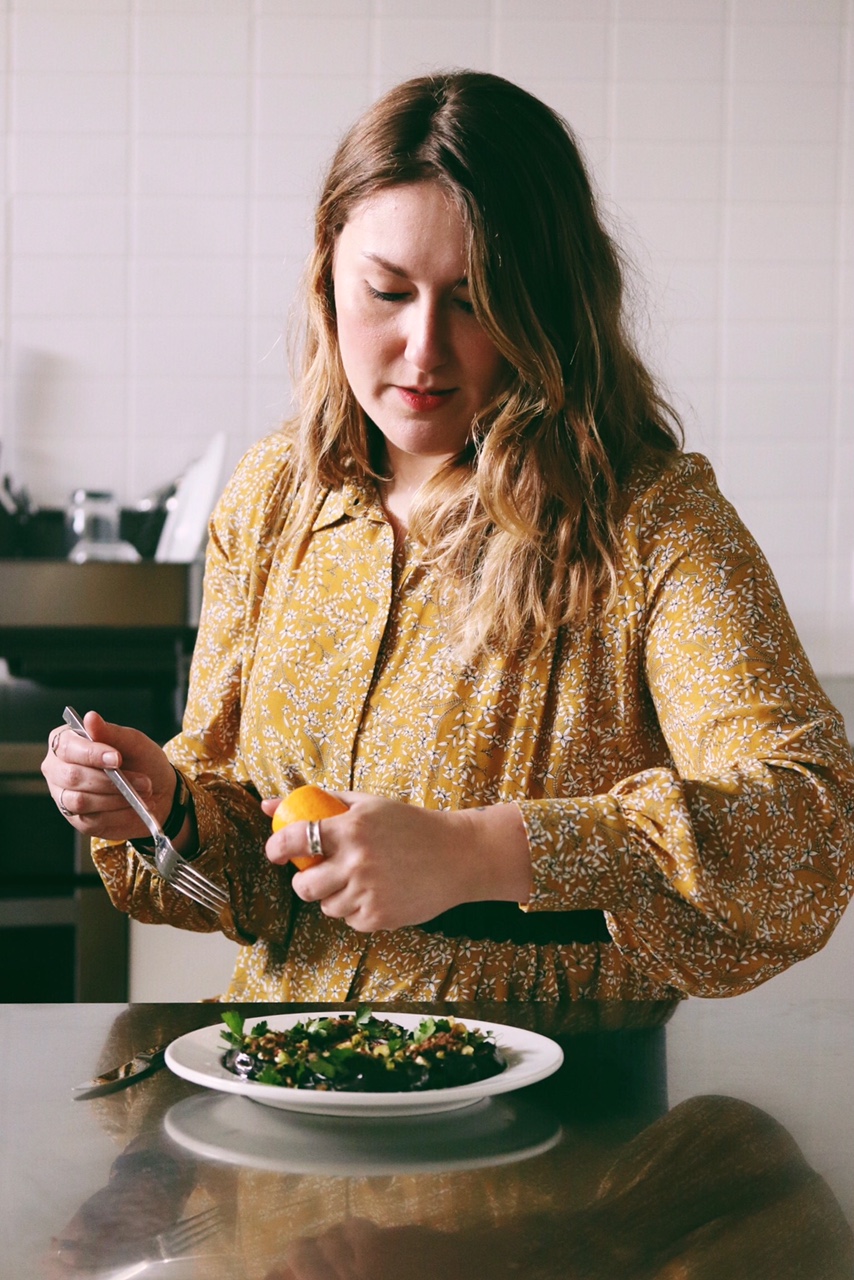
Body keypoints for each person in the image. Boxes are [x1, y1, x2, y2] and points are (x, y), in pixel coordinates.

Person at [42, 70, 854, 1003]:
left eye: (474, 301)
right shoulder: (274, 498)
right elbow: (247, 866)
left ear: (551, 306)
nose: (424, 349)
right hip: (288, 1071)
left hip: (560, 1085)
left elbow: (811, 829)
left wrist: (478, 852)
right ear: (328, 277)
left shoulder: (652, 520)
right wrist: (170, 807)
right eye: (387, 292)